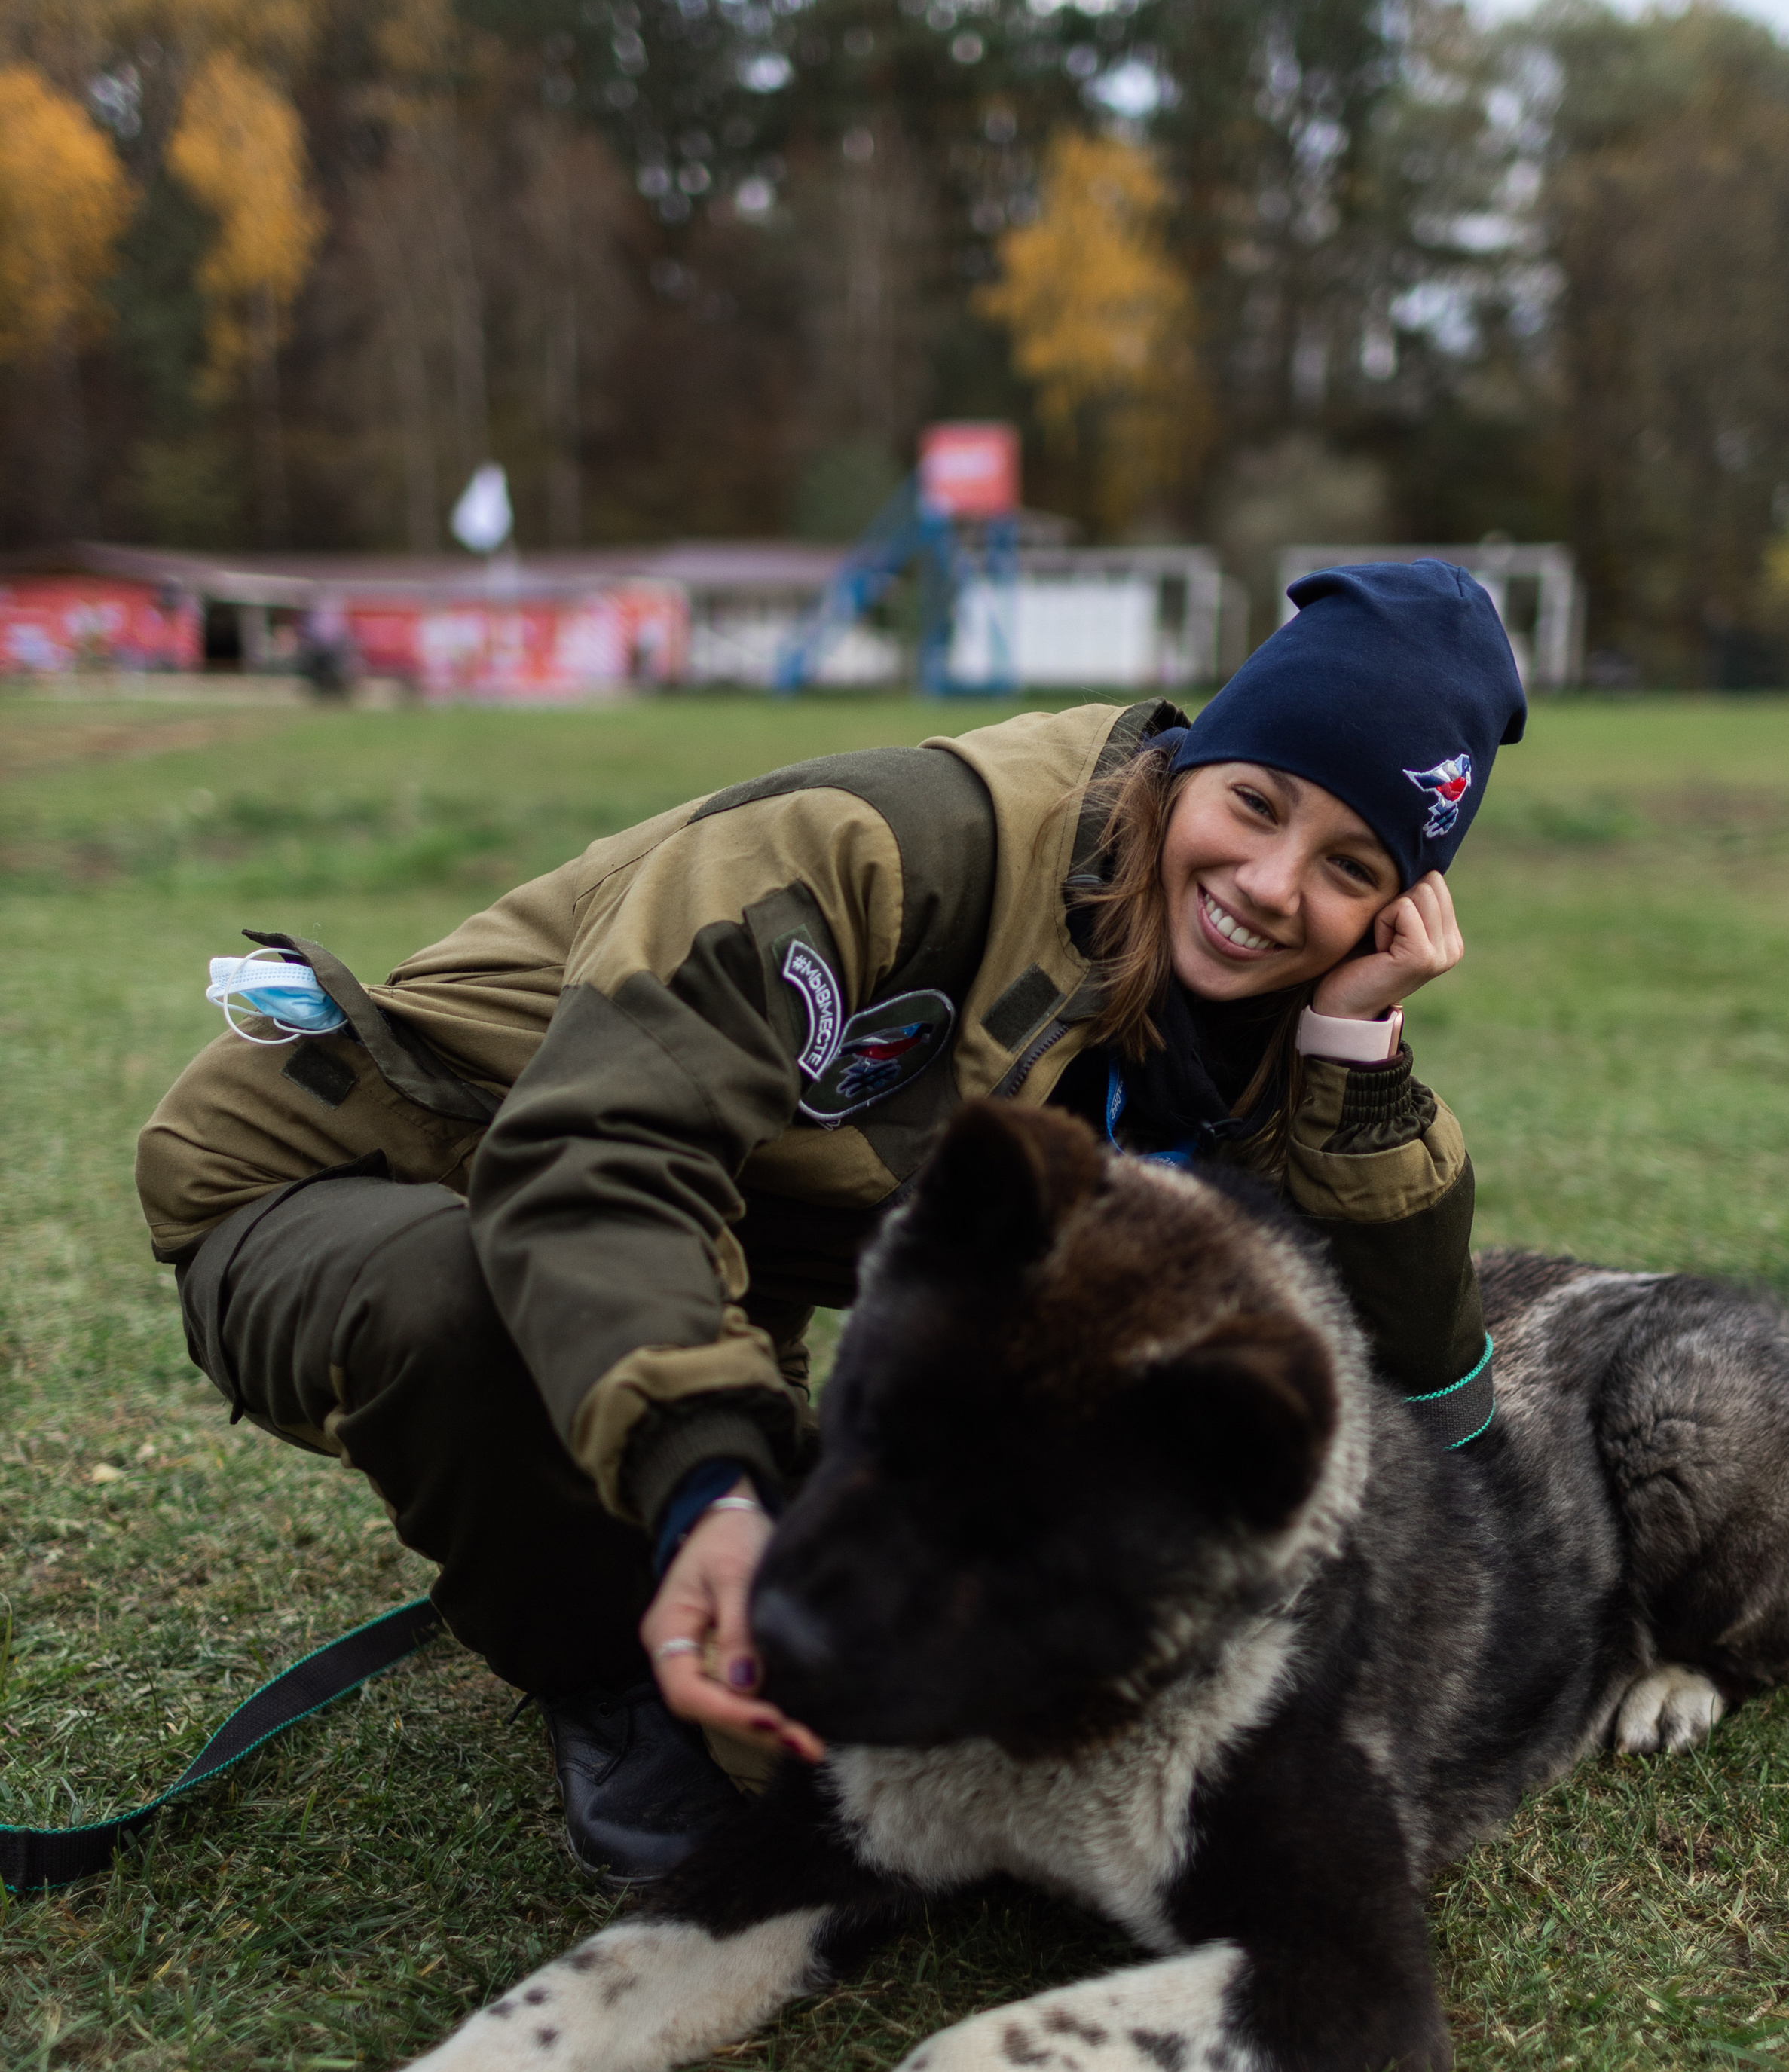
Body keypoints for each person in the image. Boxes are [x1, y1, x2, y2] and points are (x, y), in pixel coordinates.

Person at [135, 558, 1524, 1881]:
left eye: (1353, 866)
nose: (1277, 887)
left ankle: (664, 1519)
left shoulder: (1260, 1015)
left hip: (694, 1255)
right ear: (1186, 767)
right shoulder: (882, 847)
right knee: (467, 1307)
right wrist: (707, 1491)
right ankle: (607, 1672)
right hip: (349, 1176)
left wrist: (1357, 1057)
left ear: (1400, 907)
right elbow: (599, 1152)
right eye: (1261, 803)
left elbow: (1407, 1367)